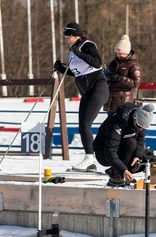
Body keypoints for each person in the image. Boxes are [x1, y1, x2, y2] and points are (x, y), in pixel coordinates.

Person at [54, 22, 109, 171]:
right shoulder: (73, 50)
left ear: (75, 35)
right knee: (82, 125)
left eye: (68, 36)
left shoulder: (87, 45)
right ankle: (89, 161)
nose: (66, 39)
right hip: (87, 92)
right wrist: (62, 68)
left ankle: (90, 158)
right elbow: (79, 71)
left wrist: (79, 53)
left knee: (85, 124)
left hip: (98, 88)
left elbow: (97, 63)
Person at [93, 103, 155, 187]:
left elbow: (141, 141)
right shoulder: (115, 123)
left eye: (144, 128)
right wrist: (123, 171)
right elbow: (110, 150)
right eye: (139, 126)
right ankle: (116, 174)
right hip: (104, 153)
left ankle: (116, 170)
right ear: (134, 118)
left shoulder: (140, 124)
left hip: (122, 151)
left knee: (151, 160)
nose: (140, 129)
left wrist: (137, 157)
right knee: (131, 142)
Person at [103, 34, 141, 116]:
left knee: (120, 126)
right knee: (110, 126)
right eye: (117, 53)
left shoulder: (133, 65)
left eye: (120, 53)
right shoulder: (114, 63)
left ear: (126, 52)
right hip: (111, 101)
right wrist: (106, 75)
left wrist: (119, 78)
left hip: (123, 102)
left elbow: (136, 83)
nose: (118, 55)